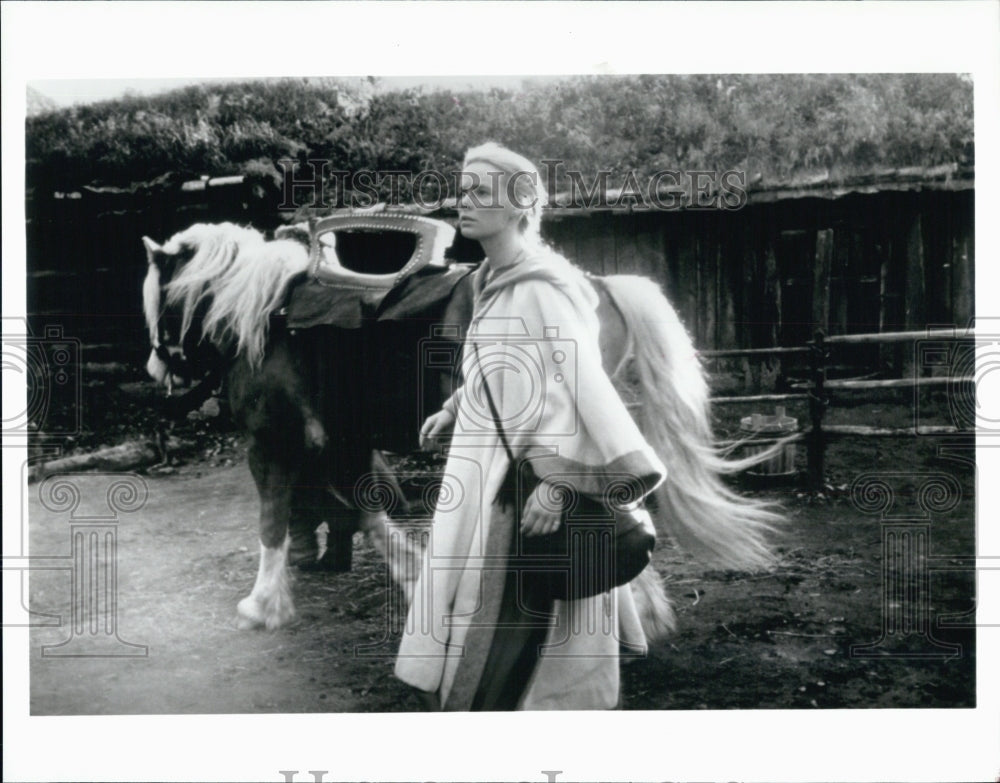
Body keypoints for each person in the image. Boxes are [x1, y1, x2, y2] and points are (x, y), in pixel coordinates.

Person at [393, 143, 666, 710]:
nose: (461, 202)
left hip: (530, 492)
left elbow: (583, 391)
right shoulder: (489, 283)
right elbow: (509, 367)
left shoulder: (544, 289)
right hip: (481, 476)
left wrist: (560, 482)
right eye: (462, 189)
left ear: (519, 208)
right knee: (480, 607)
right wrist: (455, 407)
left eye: (479, 193)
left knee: (539, 629)